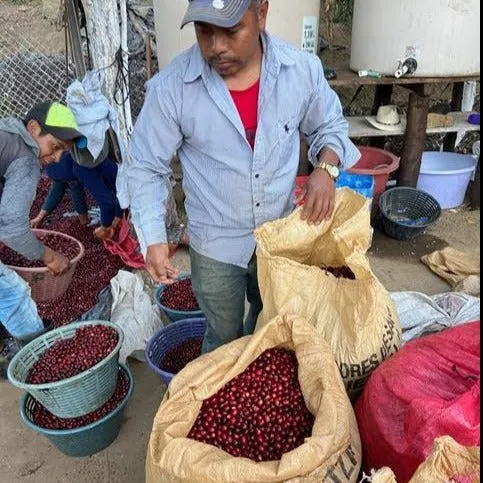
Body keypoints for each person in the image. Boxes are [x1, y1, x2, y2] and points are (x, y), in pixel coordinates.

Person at [127, 0, 360, 353]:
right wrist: (153, 237)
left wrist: (325, 169)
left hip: (279, 237)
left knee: (272, 326)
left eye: (232, 31)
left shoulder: (300, 71)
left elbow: (330, 125)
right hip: (215, 243)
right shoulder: (172, 88)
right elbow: (145, 165)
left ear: (261, 13)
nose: (217, 46)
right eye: (204, 31)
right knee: (222, 336)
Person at [0, 101, 86, 340]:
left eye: (62, 152)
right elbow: (13, 230)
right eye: (55, 146)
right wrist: (50, 256)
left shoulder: (5, 134)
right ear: (34, 129)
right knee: (12, 295)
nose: (57, 158)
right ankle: (37, 355)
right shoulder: (25, 158)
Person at [31, 150, 123, 241]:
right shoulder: (68, 161)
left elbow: (107, 202)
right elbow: (58, 188)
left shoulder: (81, 166)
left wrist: (105, 227)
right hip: (120, 184)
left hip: (125, 178)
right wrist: (40, 216)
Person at [30, 151, 89, 229]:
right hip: (67, 165)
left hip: (56, 164)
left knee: (58, 187)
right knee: (75, 190)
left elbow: (56, 192)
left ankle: (39, 218)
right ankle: (84, 224)